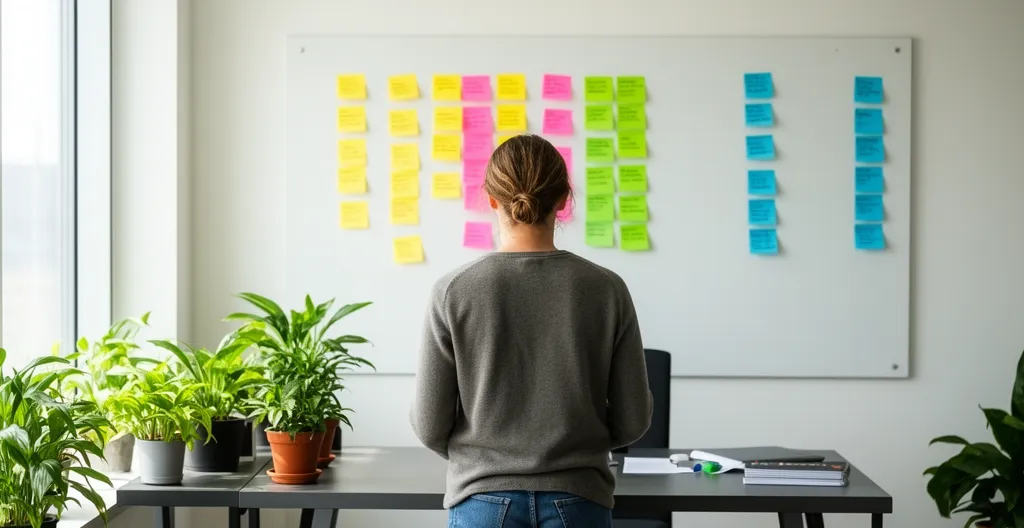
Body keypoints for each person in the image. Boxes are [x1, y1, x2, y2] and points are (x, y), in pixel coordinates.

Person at [411, 134, 654, 528]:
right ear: (563, 200)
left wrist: (483, 457)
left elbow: (428, 422)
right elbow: (633, 419)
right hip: (579, 497)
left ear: (491, 199)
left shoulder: (452, 291)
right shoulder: (606, 288)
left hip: (481, 499)